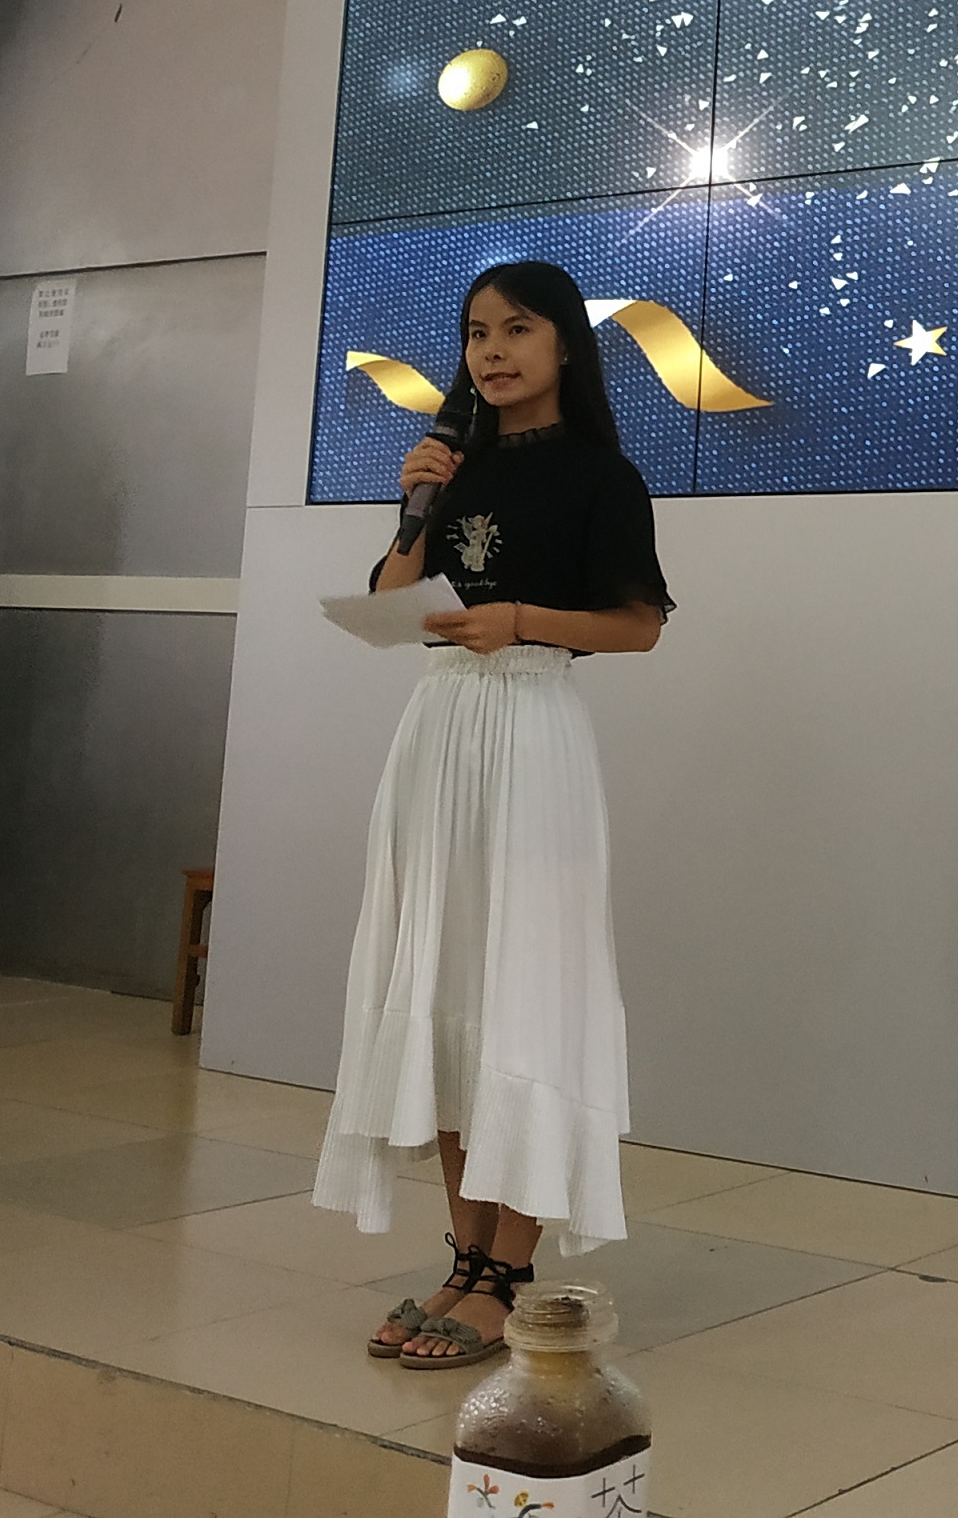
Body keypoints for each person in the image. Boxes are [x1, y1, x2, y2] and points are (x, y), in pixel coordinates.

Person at [319, 258, 671, 1371]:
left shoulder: (602, 475)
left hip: (529, 727)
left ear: (565, 343)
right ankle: (464, 1260)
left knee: (519, 989)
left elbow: (639, 625)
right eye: (477, 332)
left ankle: (511, 1271)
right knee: (445, 989)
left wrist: (522, 618)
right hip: (439, 730)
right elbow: (391, 606)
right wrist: (413, 506)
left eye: (518, 328)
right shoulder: (448, 467)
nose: (493, 350)